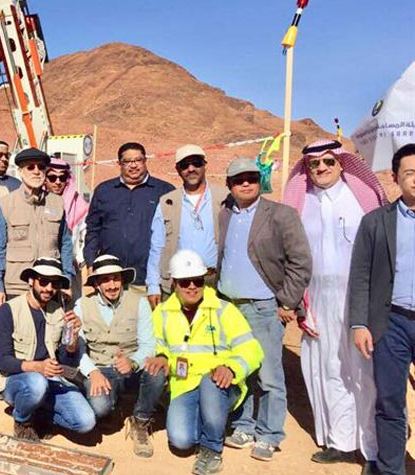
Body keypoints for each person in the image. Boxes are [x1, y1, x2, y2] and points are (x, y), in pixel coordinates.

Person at [283, 139, 385, 468]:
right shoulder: (301, 202)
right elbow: (292, 256)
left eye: (328, 161)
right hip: (316, 300)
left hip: (359, 299)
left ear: (342, 163)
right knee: (327, 369)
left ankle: (371, 447)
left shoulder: (361, 197)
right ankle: (340, 440)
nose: (322, 168)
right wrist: (300, 302)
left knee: (364, 373)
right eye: (314, 164)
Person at [218, 157, 312, 461]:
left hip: (263, 309)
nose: (246, 183)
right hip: (229, 307)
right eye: (238, 179)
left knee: (269, 375)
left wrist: (287, 301)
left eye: (252, 178)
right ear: (229, 185)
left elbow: (300, 262)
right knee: (241, 370)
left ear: (260, 181)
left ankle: (269, 434)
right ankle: (244, 425)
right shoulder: (225, 213)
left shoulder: (281, 215)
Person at [147, 249, 263, 475]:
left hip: (219, 385)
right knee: (181, 441)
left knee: (211, 384)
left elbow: (251, 348)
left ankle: (212, 449)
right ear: (174, 283)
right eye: (185, 282)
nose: (192, 287)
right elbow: (156, 345)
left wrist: (231, 368)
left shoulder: (224, 310)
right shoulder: (162, 312)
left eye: (197, 280)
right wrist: (162, 356)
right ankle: (212, 421)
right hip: (184, 385)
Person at [349, 143, 415, 475]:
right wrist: (359, 323)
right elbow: (360, 274)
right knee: (390, 401)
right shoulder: (375, 222)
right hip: (392, 324)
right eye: (410, 172)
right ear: (395, 177)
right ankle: (391, 468)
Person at [0, 257, 95, 440]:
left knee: (86, 422)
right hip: (15, 380)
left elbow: (65, 360)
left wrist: (73, 339)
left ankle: (36, 413)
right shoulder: (9, 310)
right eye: (43, 281)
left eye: (55, 283)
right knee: (37, 383)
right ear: (31, 281)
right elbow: (3, 362)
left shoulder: (58, 311)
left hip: (49, 378)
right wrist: (38, 367)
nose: (49, 288)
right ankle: (23, 420)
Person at [69, 254, 164, 458]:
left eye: (116, 278)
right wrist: (92, 372)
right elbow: (78, 349)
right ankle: (111, 405)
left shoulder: (139, 303)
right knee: (100, 407)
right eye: (105, 280)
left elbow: (149, 345)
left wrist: (134, 362)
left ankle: (141, 420)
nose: (112, 285)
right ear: (96, 284)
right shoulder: (82, 305)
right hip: (101, 368)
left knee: (157, 372)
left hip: (131, 369)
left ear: (122, 280)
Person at [0, 148, 75, 309]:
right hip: (16, 287)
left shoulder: (57, 203)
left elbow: (65, 245)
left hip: (50, 287)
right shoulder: (6, 204)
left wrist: (67, 281)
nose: (36, 171)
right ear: (20, 171)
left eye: (41, 167)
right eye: (30, 167)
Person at [147, 144, 229, 307]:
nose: (191, 169)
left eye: (196, 163)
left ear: (205, 165)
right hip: (178, 282)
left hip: (216, 281)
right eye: (185, 165)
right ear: (178, 169)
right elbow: (157, 246)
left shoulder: (225, 198)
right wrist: (153, 285)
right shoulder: (167, 202)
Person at [84, 142, 174, 288]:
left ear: (145, 161)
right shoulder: (104, 191)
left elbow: (173, 233)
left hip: (150, 279)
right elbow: (93, 230)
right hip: (111, 279)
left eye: (138, 160)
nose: (133, 165)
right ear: (119, 163)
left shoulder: (164, 191)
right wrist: (90, 262)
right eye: (127, 161)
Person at [46, 157, 89, 296]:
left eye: (62, 178)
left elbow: (85, 238)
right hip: (44, 269)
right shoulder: (39, 203)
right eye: (52, 178)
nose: (58, 182)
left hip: (70, 268)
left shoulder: (79, 205)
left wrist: (80, 261)